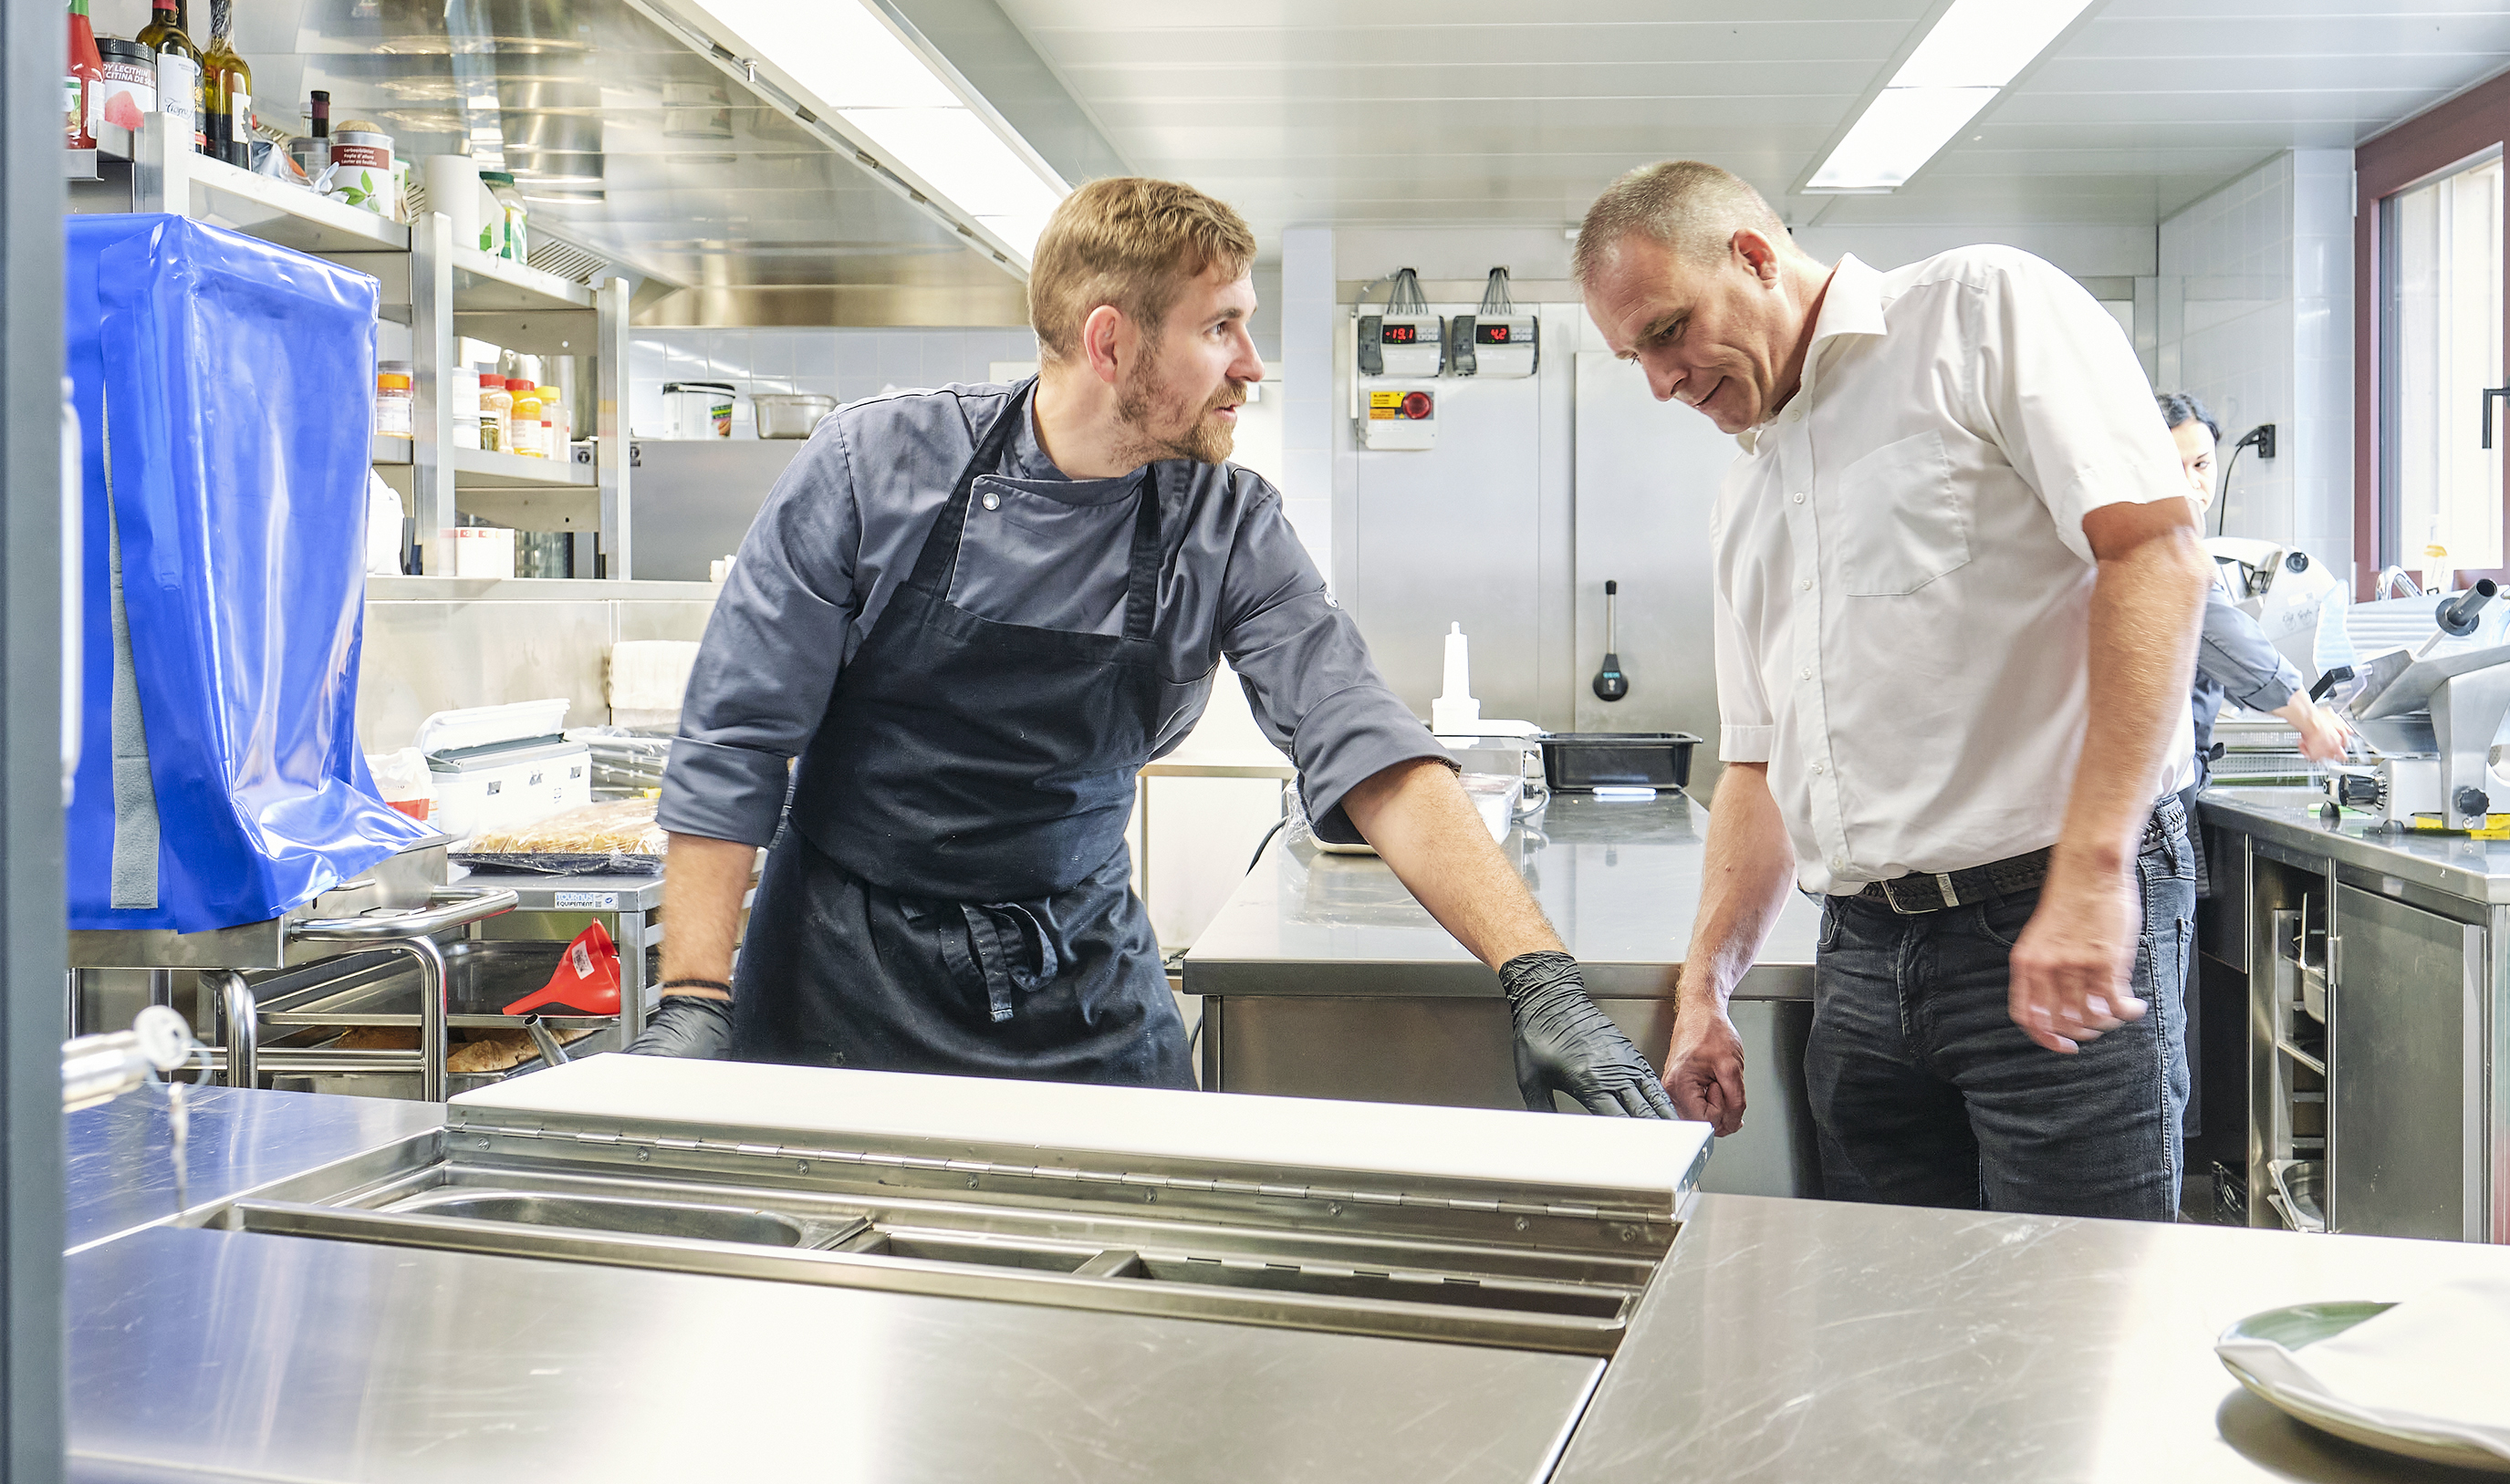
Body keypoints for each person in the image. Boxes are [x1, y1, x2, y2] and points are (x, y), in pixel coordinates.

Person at [632, 177, 1673, 1119]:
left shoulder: (1223, 527)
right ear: (1110, 343)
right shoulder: (873, 467)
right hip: (840, 982)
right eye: (1220, 328)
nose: (1251, 367)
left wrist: (1540, 976)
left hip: (1079, 984)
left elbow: (1360, 737)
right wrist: (691, 1000)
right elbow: (736, 739)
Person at [1575, 160, 2208, 1219]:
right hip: (1862, 960)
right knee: (1886, 1331)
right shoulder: (1748, 491)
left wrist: (2096, 871)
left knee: (2077, 1323)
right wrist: (1704, 989)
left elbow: (2154, 554)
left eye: (1668, 330)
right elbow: (1755, 765)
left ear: (1754, 255)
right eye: (1633, 355)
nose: (1660, 380)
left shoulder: (1977, 313)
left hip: (2046, 915)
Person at [2160, 391, 2350, 829]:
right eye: (2175, 468)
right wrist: (2309, 719)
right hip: (2151, 801)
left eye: (2202, 465)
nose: (2193, 484)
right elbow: (2233, 645)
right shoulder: (2166, 548)